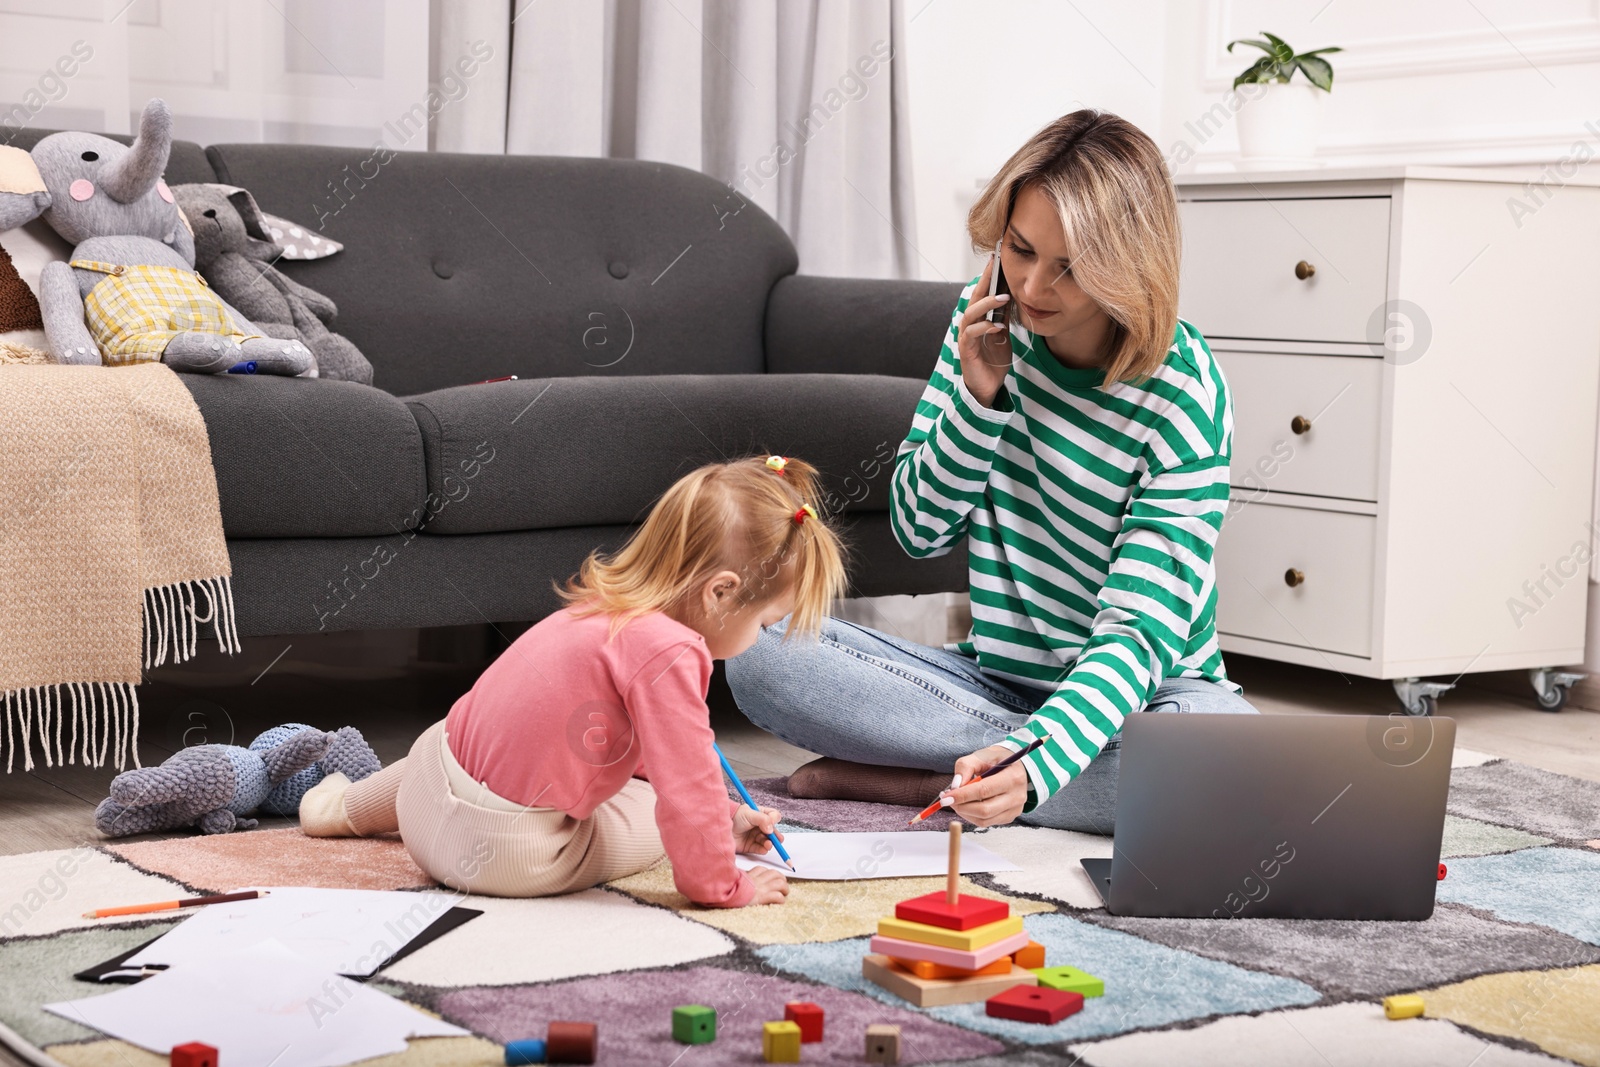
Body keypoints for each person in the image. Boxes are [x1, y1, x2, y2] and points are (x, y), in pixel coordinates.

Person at [726, 110, 1258, 835]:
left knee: (1227, 755)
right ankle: (1007, 773)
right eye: (1020, 247)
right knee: (756, 653)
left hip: (1149, 692)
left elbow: (1137, 634)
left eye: (1069, 267)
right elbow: (918, 529)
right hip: (992, 682)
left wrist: (1036, 762)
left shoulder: (1183, 390)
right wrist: (979, 398)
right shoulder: (982, 325)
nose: (1034, 284)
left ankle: (932, 778)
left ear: (1127, 264)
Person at [299, 455, 847, 908]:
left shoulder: (596, 610)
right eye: (766, 622)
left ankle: (340, 811)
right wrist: (725, 883)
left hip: (422, 800)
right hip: (503, 856)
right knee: (650, 816)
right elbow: (685, 784)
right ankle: (706, 858)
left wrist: (729, 815)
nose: (761, 637)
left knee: (459, 733)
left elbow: (616, 746)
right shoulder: (673, 649)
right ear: (720, 593)